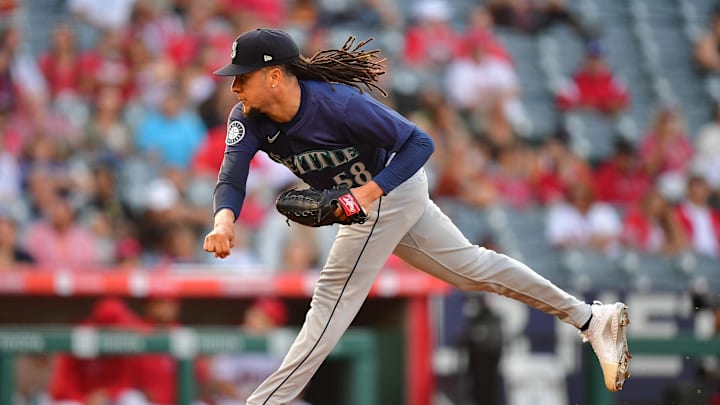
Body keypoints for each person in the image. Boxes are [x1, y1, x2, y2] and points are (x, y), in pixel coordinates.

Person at [202, 28, 632, 402]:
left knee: (331, 300)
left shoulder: (339, 104)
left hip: (391, 187)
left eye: (242, 76)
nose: (234, 86)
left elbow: (420, 144)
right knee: (470, 268)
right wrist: (224, 221)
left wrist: (364, 195)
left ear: (275, 76)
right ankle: (592, 318)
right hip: (376, 200)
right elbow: (232, 176)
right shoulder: (248, 119)